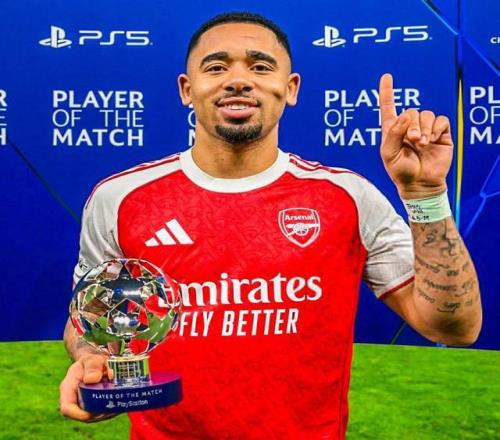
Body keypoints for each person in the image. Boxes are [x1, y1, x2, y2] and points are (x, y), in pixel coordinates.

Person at [59, 11, 482, 440]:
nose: (238, 80)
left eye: (260, 67)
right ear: (187, 89)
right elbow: (88, 317)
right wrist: (91, 357)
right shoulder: (119, 199)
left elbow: (455, 327)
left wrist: (425, 195)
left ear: (291, 88)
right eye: (216, 67)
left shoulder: (348, 197)